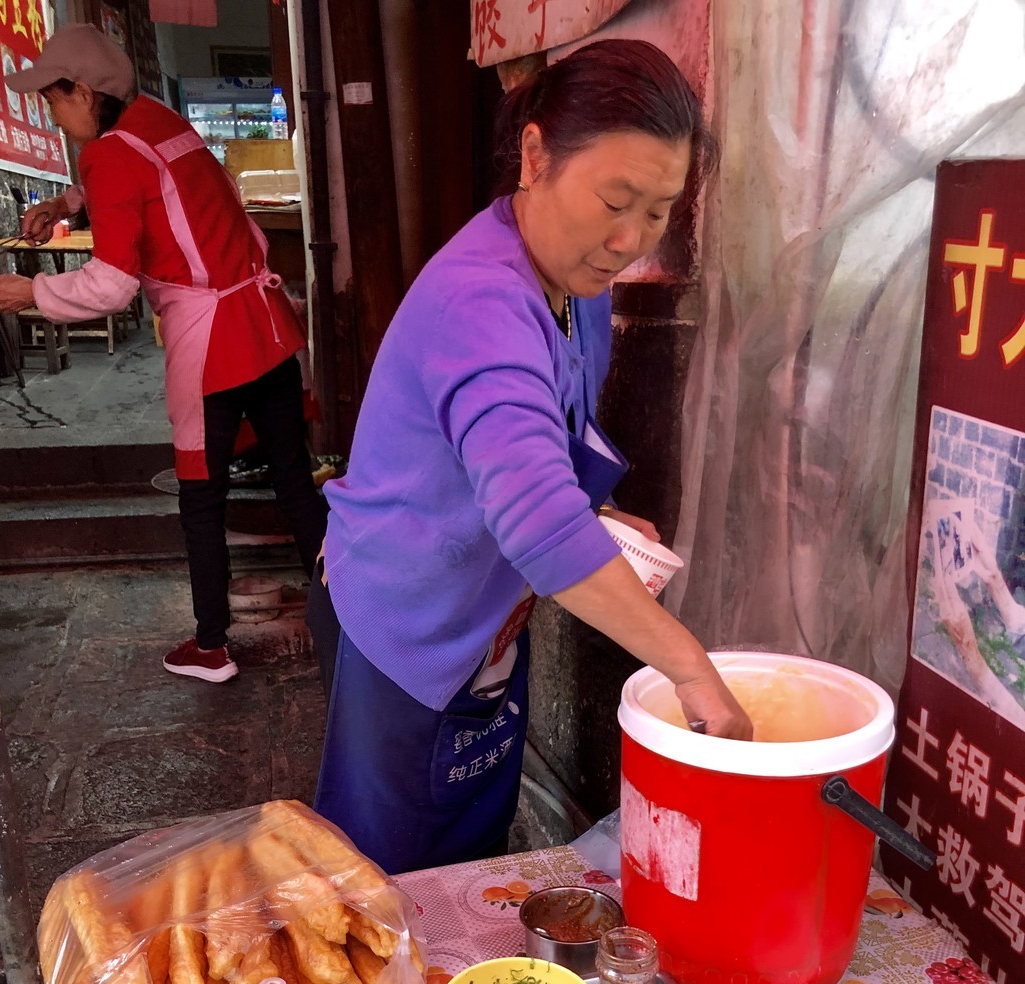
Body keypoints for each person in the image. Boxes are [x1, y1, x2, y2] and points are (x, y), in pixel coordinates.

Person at [309, 38, 752, 875]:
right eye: (615, 199)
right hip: (405, 630)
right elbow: (538, 523)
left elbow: (529, 451)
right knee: (384, 885)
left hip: (485, 621)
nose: (631, 239)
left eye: (658, 211)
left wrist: (601, 515)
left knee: (473, 852)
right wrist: (690, 669)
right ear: (535, 153)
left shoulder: (570, 282)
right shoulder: (483, 299)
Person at [0, 24, 326, 684]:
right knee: (294, 479)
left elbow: (110, 284)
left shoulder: (107, 156)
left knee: (202, 498)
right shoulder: (157, 120)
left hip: (212, 340)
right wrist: (63, 200)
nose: (51, 114)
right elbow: (143, 181)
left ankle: (211, 645)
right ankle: (344, 613)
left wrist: (33, 291)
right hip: (267, 324)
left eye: (53, 99)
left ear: (82, 92)